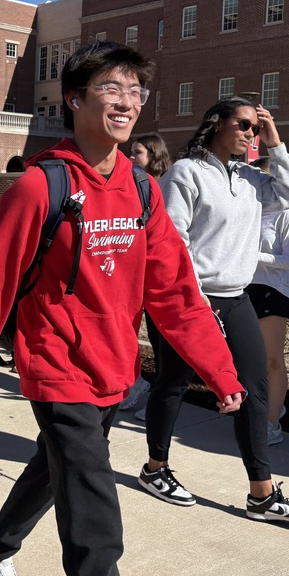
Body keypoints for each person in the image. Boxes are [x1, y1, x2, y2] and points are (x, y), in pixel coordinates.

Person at [0, 41, 246, 576]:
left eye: (135, 92)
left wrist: (219, 369)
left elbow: (175, 292)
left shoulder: (140, 190)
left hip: (114, 369)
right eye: (112, 88)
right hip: (55, 368)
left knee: (53, 468)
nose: (127, 102)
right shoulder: (39, 188)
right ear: (75, 98)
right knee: (95, 527)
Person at [140, 96, 289, 524]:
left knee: (254, 389)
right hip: (191, 299)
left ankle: (261, 492)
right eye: (242, 124)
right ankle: (156, 468)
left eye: (254, 129)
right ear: (215, 122)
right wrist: (192, 298)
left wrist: (276, 143)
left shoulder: (252, 179)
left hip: (237, 297)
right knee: (173, 383)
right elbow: (173, 239)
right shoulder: (187, 172)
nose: (248, 133)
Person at [244, 156, 289, 445]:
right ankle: (260, 411)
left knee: (271, 360)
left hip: (274, 292)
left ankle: (272, 423)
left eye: (259, 178)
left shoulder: (286, 215)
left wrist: (254, 257)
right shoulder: (248, 211)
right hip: (243, 289)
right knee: (248, 360)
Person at [120, 132, 172, 414]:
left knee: (163, 341)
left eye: (137, 152)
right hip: (138, 274)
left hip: (158, 275)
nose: (131, 157)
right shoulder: (137, 185)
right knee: (141, 334)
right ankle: (136, 384)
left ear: (154, 155)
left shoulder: (164, 187)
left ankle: (154, 400)